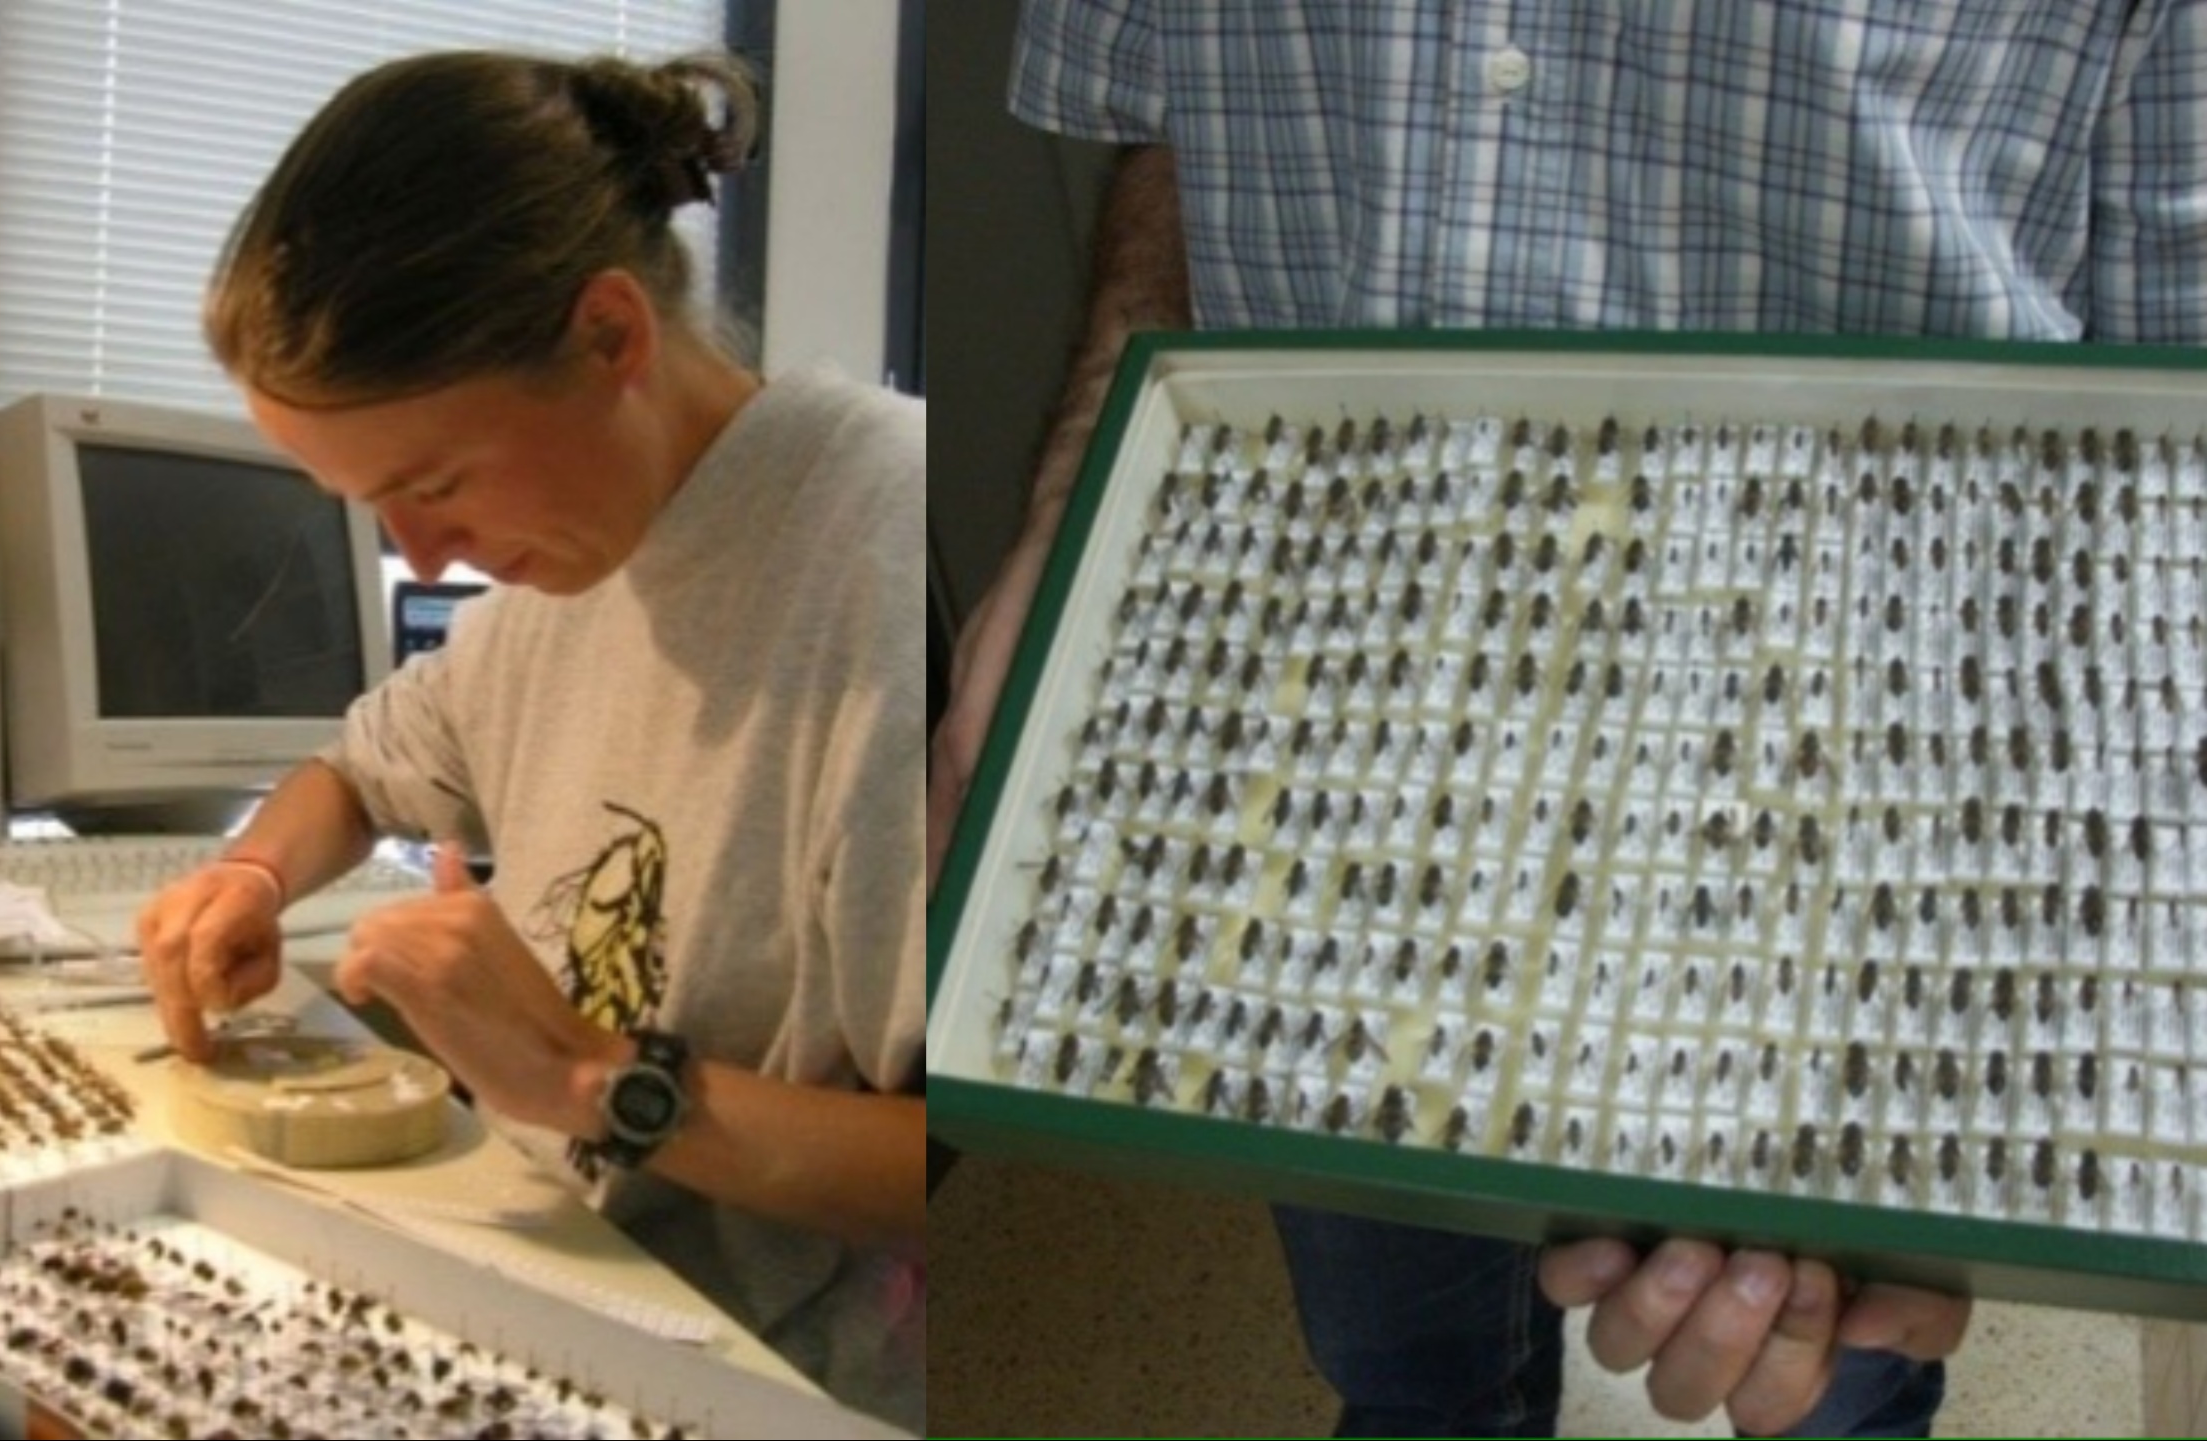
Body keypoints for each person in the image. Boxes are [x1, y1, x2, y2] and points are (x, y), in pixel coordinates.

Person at [933, 2, 2207, 1435]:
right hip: (1320, 736)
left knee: (1831, 1383)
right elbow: (1163, 122)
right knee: (1408, 1366)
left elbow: (2178, 382)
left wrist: (2065, 987)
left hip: (1866, 805)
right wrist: (1078, 505)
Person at [136, 49, 924, 1430]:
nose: (427, 553)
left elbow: (964, 1166)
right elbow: (356, 773)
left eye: (437, 482)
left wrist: (585, 1077)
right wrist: (253, 875)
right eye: (373, 506)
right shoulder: (567, 566)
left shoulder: (888, 575)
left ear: (611, 337)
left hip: (773, 1376)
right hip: (545, 1290)